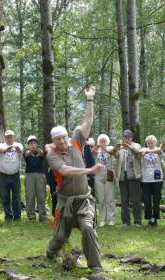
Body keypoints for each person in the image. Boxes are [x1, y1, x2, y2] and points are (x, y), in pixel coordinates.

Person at [45, 86, 106, 279]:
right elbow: (65, 171)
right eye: (58, 139)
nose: (63, 141)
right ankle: (51, 251)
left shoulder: (76, 142)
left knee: (88, 228)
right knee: (61, 236)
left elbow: (87, 121)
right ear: (53, 141)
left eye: (64, 136)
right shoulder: (52, 155)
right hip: (65, 203)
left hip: (84, 200)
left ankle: (96, 267)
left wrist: (89, 99)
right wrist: (89, 170)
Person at [114, 129, 142, 226]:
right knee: (124, 200)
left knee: (136, 199)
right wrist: (116, 149)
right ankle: (125, 221)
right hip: (123, 176)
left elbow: (138, 152)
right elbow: (115, 155)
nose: (126, 139)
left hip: (134, 176)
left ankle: (137, 221)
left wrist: (129, 147)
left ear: (131, 138)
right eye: (125, 137)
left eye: (128, 137)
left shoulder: (136, 145)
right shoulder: (121, 147)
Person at [0, 130, 23, 222]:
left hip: (15, 175)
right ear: (5, 138)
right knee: (5, 196)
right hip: (4, 175)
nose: (9, 138)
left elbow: (20, 151)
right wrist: (7, 149)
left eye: (11, 136)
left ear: (14, 137)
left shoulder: (18, 144)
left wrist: (18, 150)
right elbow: (0, 150)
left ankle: (17, 216)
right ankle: (8, 216)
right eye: (7, 137)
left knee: (16, 196)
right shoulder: (1, 145)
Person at [92, 134, 116, 227]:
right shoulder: (96, 150)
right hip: (98, 175)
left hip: (108, 174)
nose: (103, 143)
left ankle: (112, 219)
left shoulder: (110, 148)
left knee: (109, 198)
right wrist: (97, 147)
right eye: (101, 141)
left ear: (107, 142)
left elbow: (112, 151)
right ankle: (103, 219)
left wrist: (104, 148)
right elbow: (91, 151)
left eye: (104, 141)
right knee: (101, 198)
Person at [141, 135, 163, 226]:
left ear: (155, 143)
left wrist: (148, 151)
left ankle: (155, 217)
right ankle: (150, 217)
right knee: (147, 200)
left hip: (157, 179)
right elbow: (140, 152)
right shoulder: (143, 149)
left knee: (156, 199)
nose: (150, 144)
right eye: (148, 143)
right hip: (146, 179)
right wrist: (145, 150)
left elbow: (159, 151)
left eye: (152, 143)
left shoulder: (158, 150)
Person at [23, 135, 46, 222]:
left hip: (40, 175)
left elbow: (42, 153)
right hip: (29, 176)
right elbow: (26, 154)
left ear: (37, 144)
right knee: (30, 196)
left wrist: (36, 150)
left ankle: (42, 216)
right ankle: (31, 217)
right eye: (31, 143)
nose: (33, 145)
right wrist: (31, 150)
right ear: (28, 145)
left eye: (34, 143)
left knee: (41, 196)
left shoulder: (40, 152)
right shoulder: (26, 152)